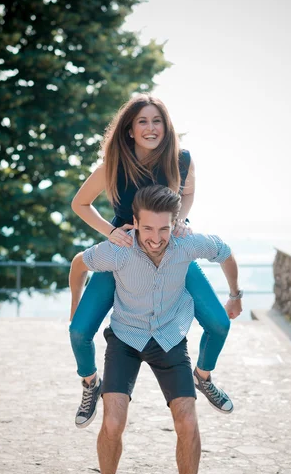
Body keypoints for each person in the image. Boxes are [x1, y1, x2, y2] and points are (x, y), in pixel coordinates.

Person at [69, 185, 242, 474]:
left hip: (169, 340)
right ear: (134, 223)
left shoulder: (188, 246)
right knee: (113, 421)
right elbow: (78, 264)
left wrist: (235, 293)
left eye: (164, 229)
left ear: (175, 224)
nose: (155, 237)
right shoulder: (118, 252)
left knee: (188, 423)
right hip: (126, 340)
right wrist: (75, 306)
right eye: (147, 228)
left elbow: (225, 252)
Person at [70, 93, 242, 428]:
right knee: (78, 332)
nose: (151, 128)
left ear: (166, 126)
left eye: (157, 121)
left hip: (169, 250)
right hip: (124, 254)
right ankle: (91, 383)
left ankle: (203, 376)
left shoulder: (181, 159)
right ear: (130, 129)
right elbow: (80, 204)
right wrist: (110, 232)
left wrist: (182, 220)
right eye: (143, 121)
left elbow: (187, 193)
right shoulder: (114, 164)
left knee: (219, 324)